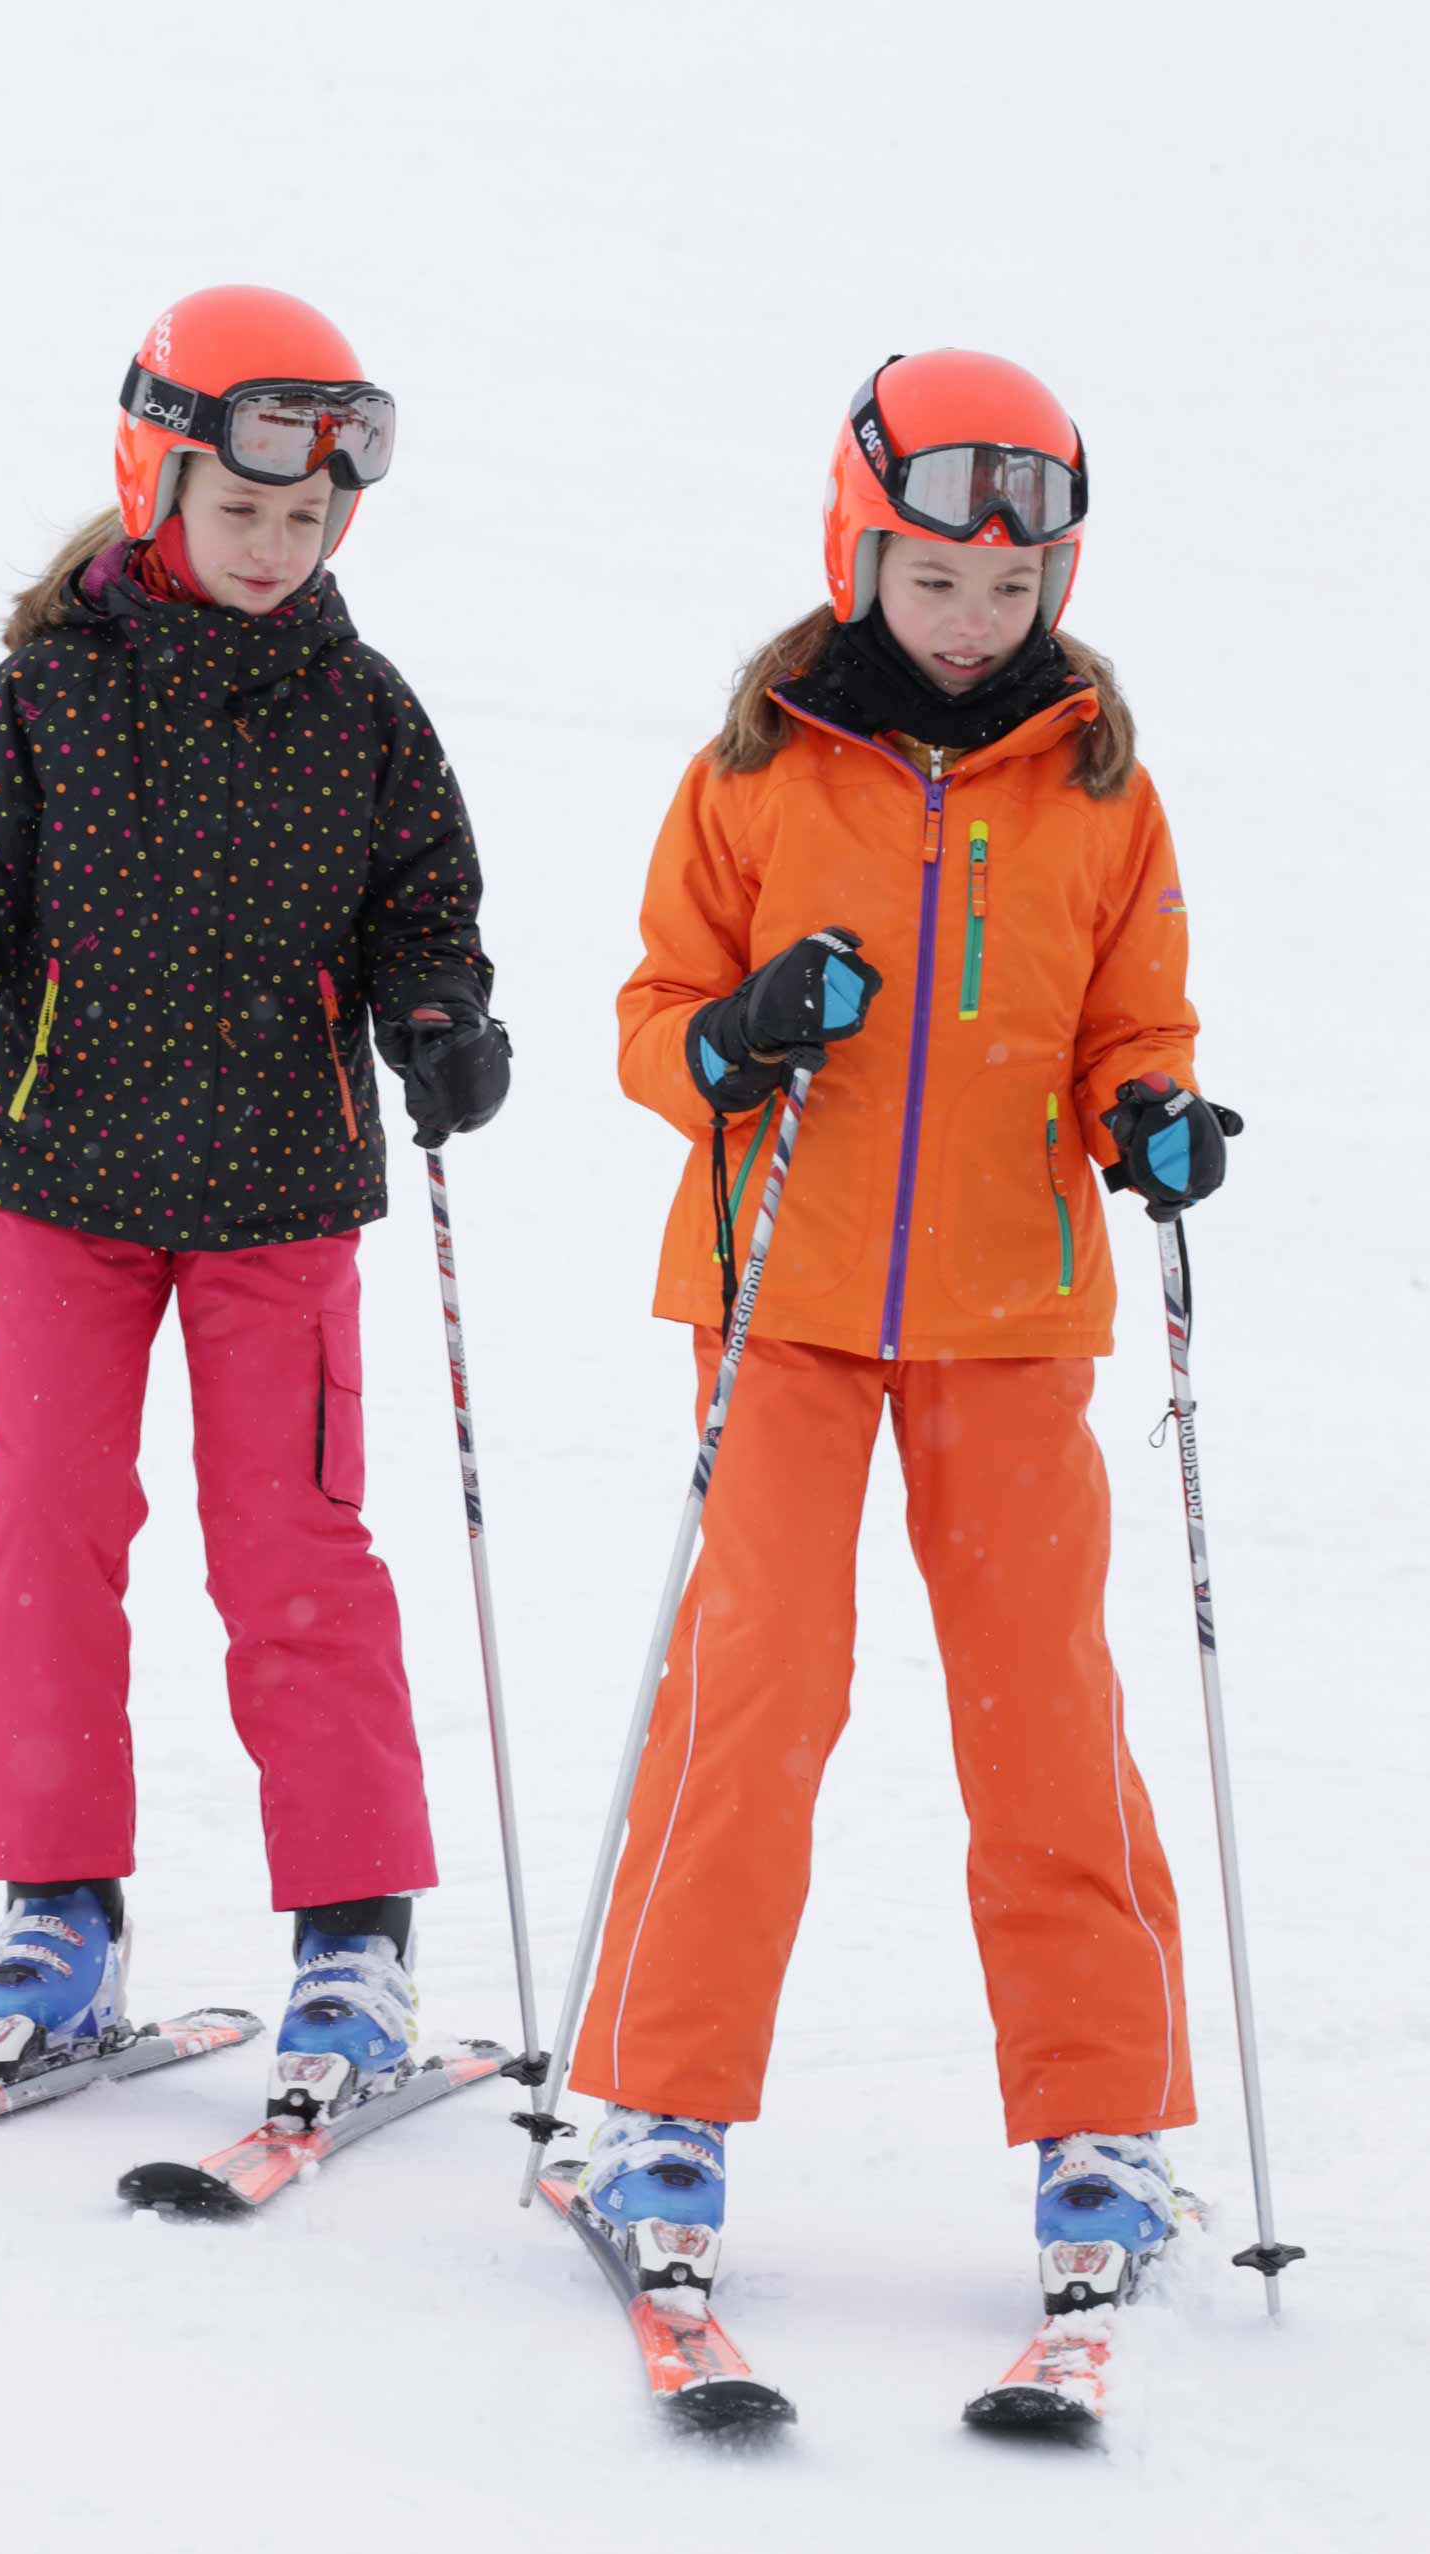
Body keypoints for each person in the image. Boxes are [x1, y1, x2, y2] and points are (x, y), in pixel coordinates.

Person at [567, 349, 1240, 2318]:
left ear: (1057, 579)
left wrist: (1153, 1116)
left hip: (1011, 1314)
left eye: (1007, 588)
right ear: (859, 556)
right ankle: (659, 2106)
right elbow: (654, 1013)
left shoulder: (1100, 779)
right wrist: (735, 1035)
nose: (970, 622)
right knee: (755, 1692)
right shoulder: (757, 765)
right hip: (777, 1294)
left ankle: (1099, 2120)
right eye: (932, 579)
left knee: (1043, 1709)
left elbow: (1138, 1017)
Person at [0, 285, 510, 2121]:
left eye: (308, 517)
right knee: (42, 1528)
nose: (278, 545)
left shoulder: (364, 711)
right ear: (158, 482)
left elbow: (421, 911)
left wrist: (442, 1023)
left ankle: (353, 1931)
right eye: (244, 508)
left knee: (295, 1554)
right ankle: (60, 1907)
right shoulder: (49, 694)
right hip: (64, 1179)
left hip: (281, 1193)